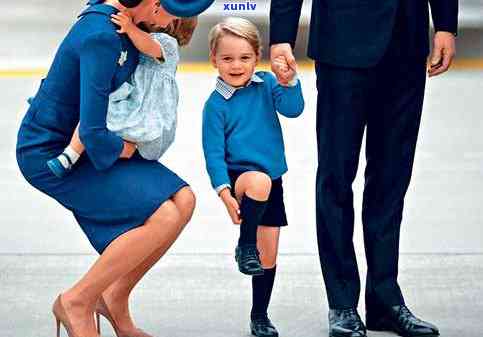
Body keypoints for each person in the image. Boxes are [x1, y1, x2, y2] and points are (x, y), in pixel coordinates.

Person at [15, 0, 214, 337]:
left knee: (183, 200)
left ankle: (113, 297)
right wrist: (127, 148)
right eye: (173, 12)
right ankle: (77, 300)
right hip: (54, 149)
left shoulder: (126, 23)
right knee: (163, 214)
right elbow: (91, 132)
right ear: (153, 5)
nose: (174, 21)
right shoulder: (102, 36)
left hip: (97, 141)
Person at [269, 0, 457, 336]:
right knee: (336, 178)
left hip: (406, 40)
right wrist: (281, 35)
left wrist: (445, 23)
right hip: (342, 41)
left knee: (392, 178)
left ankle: (385, 299)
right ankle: (342, 303)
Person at [202, 17, 304, 337]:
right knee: (258, 181)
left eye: (245, 57)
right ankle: (244, 244)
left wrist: (288, 81)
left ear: (257, 57)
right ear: (214, 60)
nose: (236, 65)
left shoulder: (266, 85)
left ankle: (259, 315)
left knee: (269, 255)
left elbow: (293, 109)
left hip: (272, 180)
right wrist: (223, 192)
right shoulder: (215, 105)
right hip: (239, 178)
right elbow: (213, 154)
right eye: (227, 58)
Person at [46, 12, 198, 178]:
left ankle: (75, 155)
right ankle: (74, 152)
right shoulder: (151, 37)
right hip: (134, 95)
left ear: (174, 23)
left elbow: (148, 45)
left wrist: (130, 28)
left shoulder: (168, 44)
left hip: (145, 102)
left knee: (101, 115)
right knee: (100, 114)